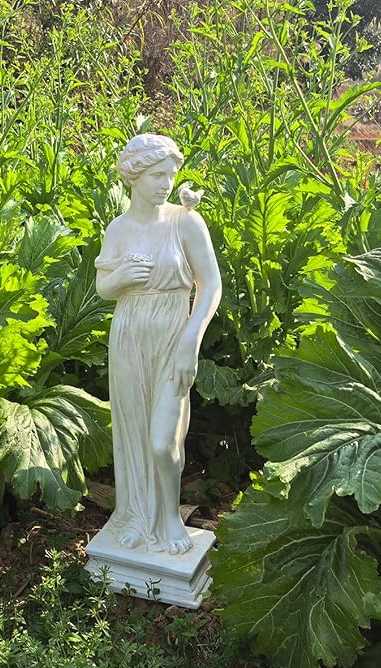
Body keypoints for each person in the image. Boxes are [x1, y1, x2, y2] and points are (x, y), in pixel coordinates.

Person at [95, 134, 222, 555]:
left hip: (172, 338)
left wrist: (192, 340)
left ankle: (168, 516)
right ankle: (135, 516)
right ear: (134, 176)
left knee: (162, 441)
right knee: (133, 434)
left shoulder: (185, 222)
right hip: (129, 338)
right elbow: (102, 288)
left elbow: (210, 286)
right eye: (157, 175)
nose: (166, 184)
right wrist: (120, 278)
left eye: (170, 175)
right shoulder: (118, 229)